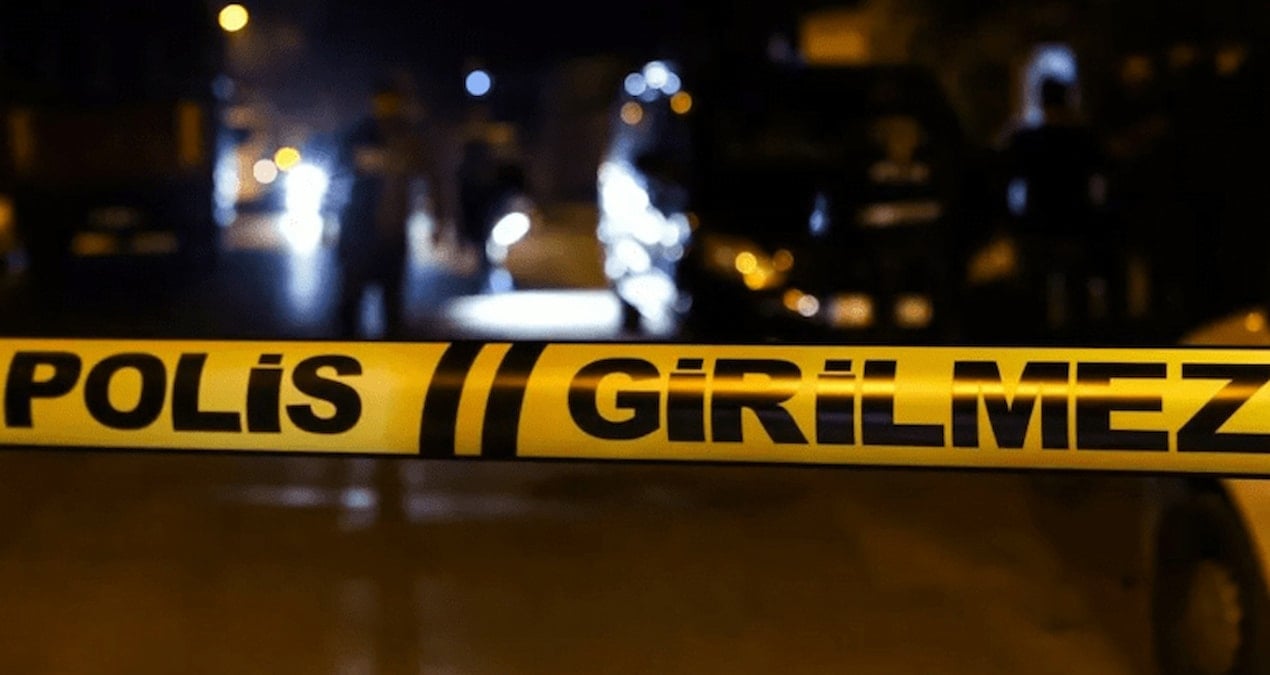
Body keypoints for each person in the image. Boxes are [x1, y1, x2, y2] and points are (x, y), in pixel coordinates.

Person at [1003, 76, 1115, 336]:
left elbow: (1008, 180)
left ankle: (1040, 344)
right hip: (1076, 225)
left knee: (1038, 296)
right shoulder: (1084, 139)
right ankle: (1079, 344)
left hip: (1038, 226)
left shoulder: (1027, 139)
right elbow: (1101, 181)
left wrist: (1015, 220)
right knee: (1077, 296)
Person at [335, 79, 440, 338]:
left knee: (392, 303)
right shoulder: (363, 131)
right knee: (352, 300)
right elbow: (349, 161)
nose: (389, 107)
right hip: (360, 229)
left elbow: (429, 173)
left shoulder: (408, 134)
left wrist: (438, 219)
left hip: (392, 231)